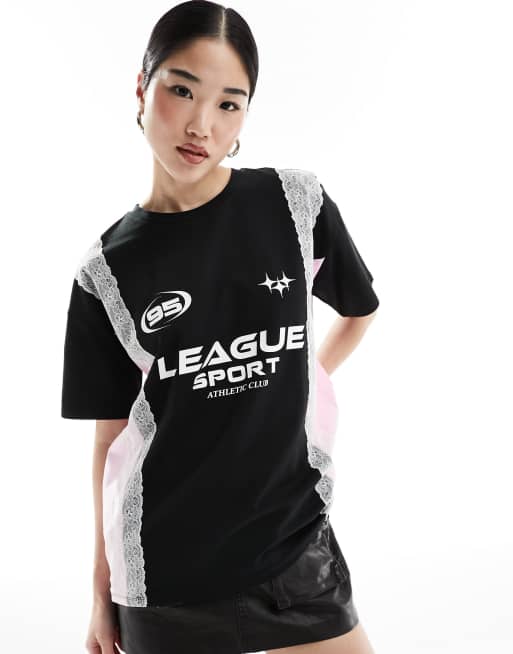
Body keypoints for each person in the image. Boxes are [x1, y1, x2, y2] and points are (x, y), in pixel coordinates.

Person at [60, 1, 379, 652]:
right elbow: (110, 439)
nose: (201, 125)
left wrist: (295, 379)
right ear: (142, 88)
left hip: (292, 553)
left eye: (229, 104)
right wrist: (99, 590)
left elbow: (359, 310)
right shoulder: (105, 271)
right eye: (182, 90)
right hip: (165, 578)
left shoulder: (293, 203)